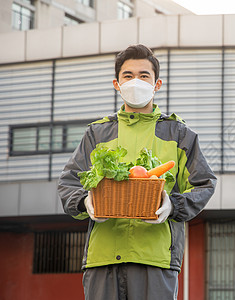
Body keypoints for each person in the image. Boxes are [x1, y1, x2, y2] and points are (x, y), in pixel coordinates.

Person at [58, 44, 217, 300]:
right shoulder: (96, 133)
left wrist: (172, 205)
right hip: (103, 257)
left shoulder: (178, 134)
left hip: (155, 257)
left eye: (144, 75)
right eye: (128, 76)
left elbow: (204, 184)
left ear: (157, 84)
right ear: (116, 83)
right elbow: (68, 183)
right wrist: (85, 201)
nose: (135, 82)